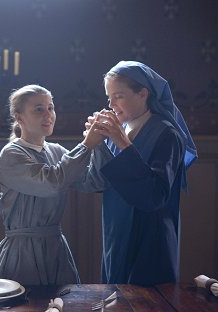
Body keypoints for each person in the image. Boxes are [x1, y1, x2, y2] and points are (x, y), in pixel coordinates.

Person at [85, 61, 197, 286]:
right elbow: (99, 183)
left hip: (149, 236)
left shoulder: (168, 133)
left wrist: (122, 144)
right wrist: (95, 144)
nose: (111, 104)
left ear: (143, 93)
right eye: (109, 97)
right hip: (116, 232)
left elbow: (154, 195)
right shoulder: (119, 129)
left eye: (118, 96)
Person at [0, 84, 105, 285]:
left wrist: (101, 143)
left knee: (63, 304)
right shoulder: (11, 154)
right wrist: (87, 144)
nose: (48, 115)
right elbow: (51, 183)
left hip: (56, 248)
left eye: (51, 108)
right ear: (19, 118)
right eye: (39, 109)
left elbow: (93, 182)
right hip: (22, 251)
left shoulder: (57, 151)